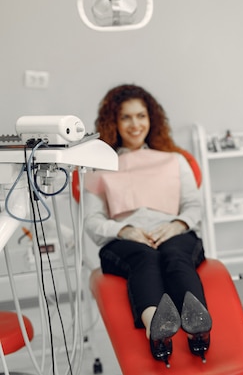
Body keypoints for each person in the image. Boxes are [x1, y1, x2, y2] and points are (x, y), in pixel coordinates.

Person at [83, 84, 212, 367]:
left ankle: (198, 327)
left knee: (175, 256)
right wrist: (124, 231)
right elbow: (92, 222)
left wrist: (177, 224)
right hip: (127, 242)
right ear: (114, 122)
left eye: (141, 116)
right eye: (126, 117)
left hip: (173, 233)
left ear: (151, 118)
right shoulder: (100, 168)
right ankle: (157, 329)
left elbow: (194, 205)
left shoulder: (175, 160)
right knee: (146, 258)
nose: (135, 124)